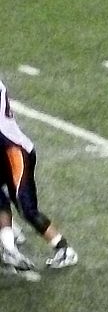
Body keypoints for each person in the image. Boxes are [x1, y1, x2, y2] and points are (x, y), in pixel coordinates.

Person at [0, 80, 78, 271]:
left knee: (27, 209)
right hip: (4, 152)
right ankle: (8, 243)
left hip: (15, 154)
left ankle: (64, 249)